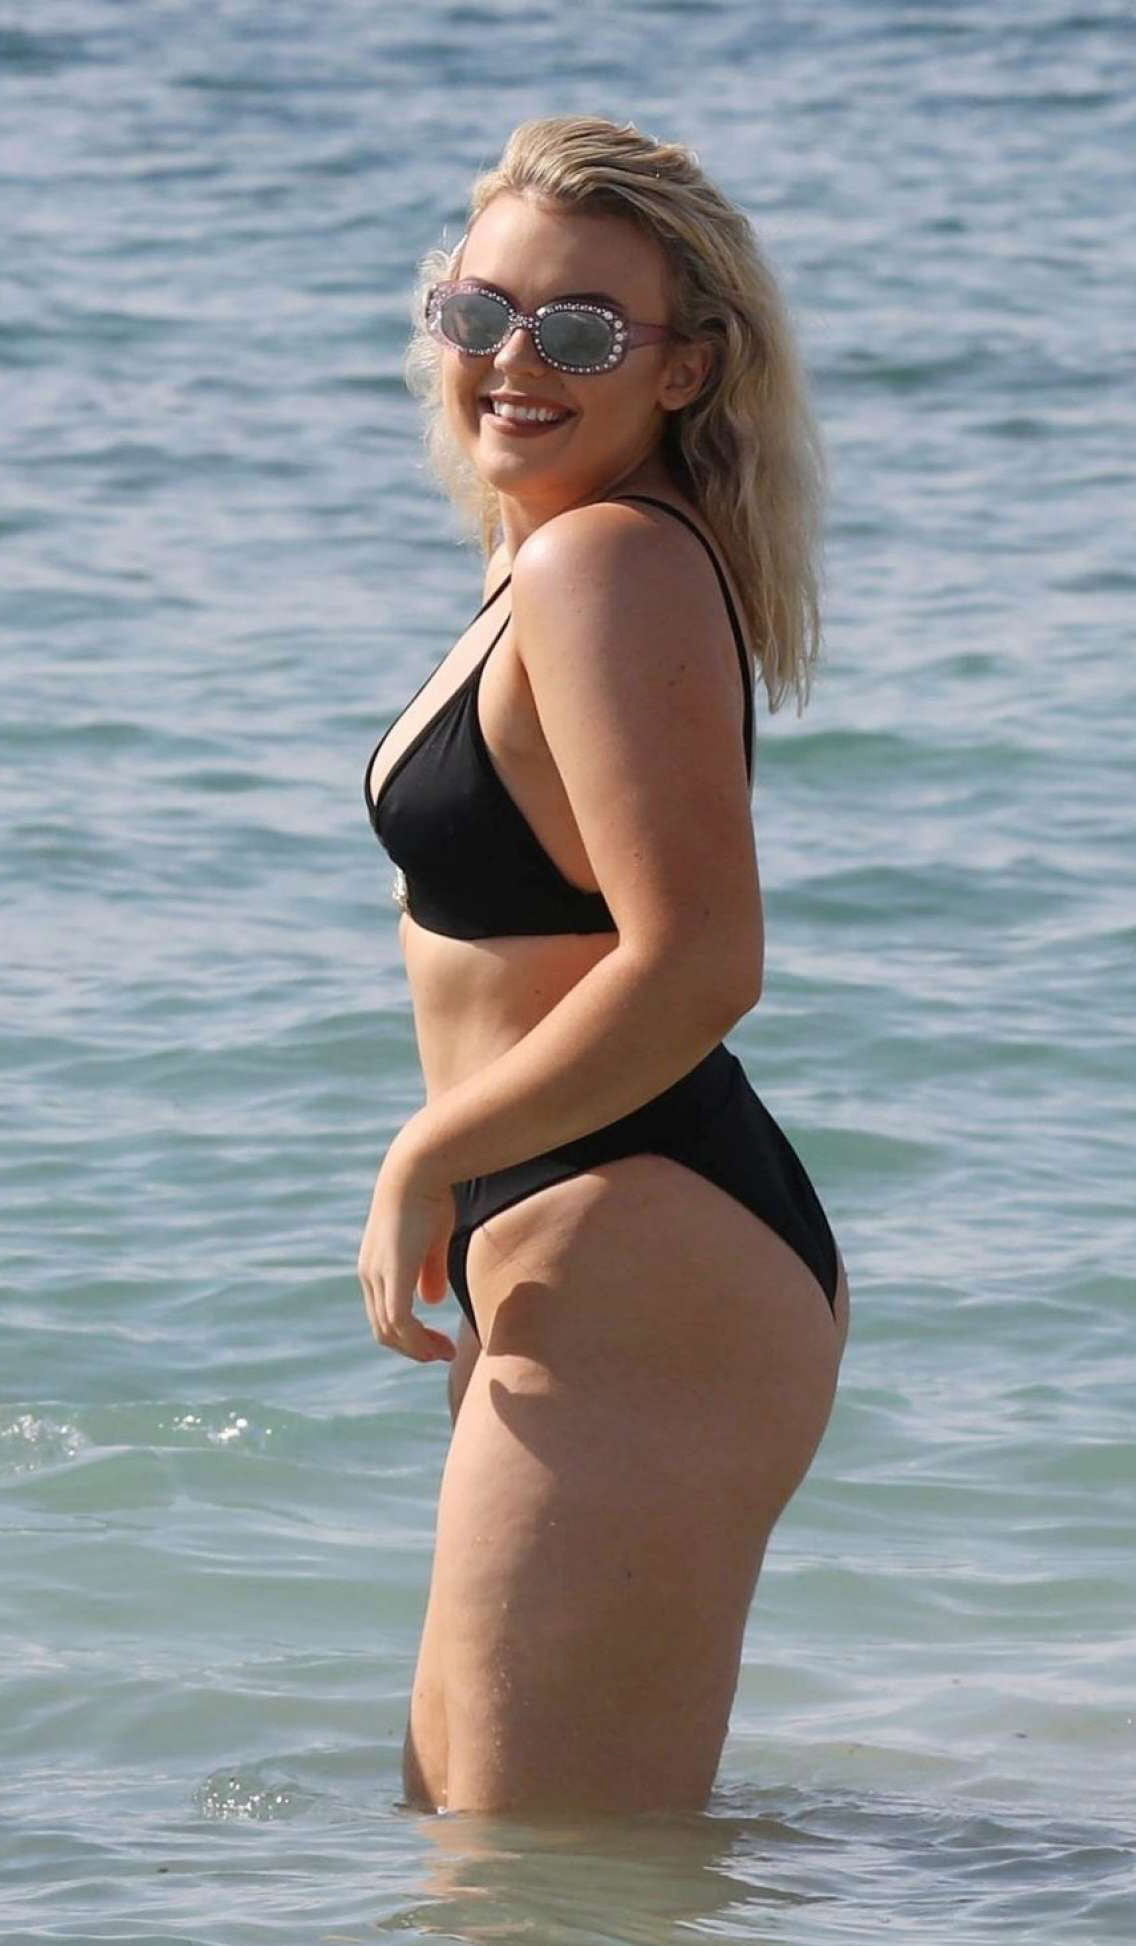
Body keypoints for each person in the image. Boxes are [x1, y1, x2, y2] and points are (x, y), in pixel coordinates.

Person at [357, 115, 850, 1816]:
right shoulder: (550, 553)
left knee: (540, 1881)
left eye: (580, 330)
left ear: (686, 369)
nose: (515, 361)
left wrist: (427, 1152)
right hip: (582, 1242)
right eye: (480, 310)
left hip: (640, 1248)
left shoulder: (608, 561)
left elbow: (701, 959)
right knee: (482, 1852)